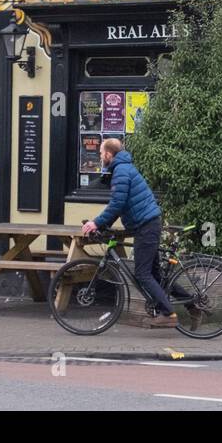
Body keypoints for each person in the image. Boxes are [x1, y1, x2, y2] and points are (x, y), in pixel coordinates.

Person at [81, 138, 177, 328]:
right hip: (148, 224)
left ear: (109, 154)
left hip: (146, 226)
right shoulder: (122, 169)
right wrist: (102, 224)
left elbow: (117, 203)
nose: (100, 157)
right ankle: (191, 304)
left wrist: (96, 223)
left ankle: (168, 313)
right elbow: (119, 204)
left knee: (142, 274)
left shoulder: (121, 171)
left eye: (101, 153)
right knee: (155, 276)